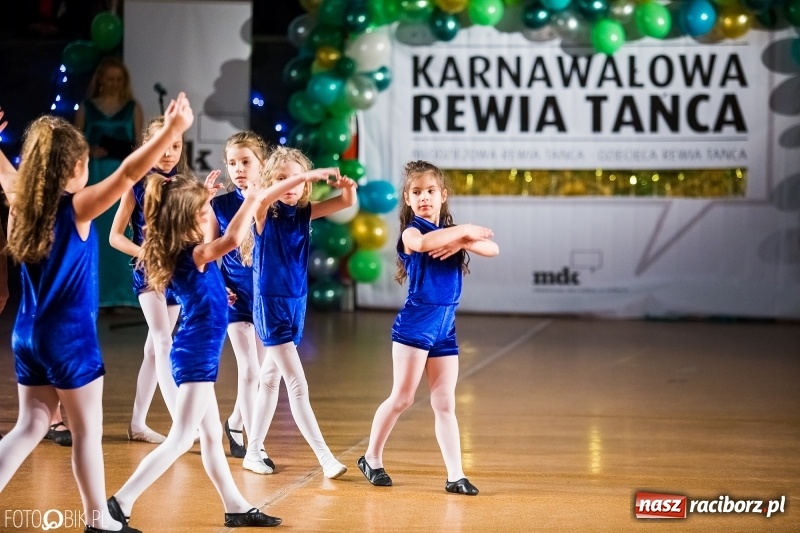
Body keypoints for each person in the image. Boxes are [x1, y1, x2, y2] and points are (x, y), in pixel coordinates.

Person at [0, 94, 193, 533]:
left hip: (26, 334)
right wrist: (169, 131)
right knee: (86, 433)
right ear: (72, 170)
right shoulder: (78, 208)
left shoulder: (19, 204)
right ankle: (99, 520)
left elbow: (8, 174)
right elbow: (128, 172)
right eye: (84, 163)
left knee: (29, 426)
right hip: (69, 337)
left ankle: (100, 519)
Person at [107, 167, 333, 529]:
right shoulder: (191, 254)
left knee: (212, 439)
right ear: (185, 222)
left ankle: (235, 507)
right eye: (201, 213)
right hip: (194, 357)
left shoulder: (182, 249)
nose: (207, 216)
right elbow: (231, 239)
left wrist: (213, 198)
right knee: (182, 438)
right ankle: (120, 502)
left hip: (199, 356)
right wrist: (264, 195)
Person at [357, 160, 499, 496]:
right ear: (407, 199)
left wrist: (462, 239)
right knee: (403, 398)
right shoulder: (412, 232)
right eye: (416, 192)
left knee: (445, 403)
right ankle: (371, 457)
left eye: (431, 191)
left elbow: (493, 249)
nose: (424, 197)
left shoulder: (453, 236)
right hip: (415, 327)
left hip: (444, 330)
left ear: (442, 195)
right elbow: (421, 246)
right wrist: (463, 230)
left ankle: (455, 474)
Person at [240, 147, 356, 479]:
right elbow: (261, 200)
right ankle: (326, 458)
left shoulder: (304, 214)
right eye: (281, 179)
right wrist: (304, 175)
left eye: (295, 181)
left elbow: (345, 203)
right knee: (297, 383)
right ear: (269, 181)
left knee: (269, 379)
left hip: (296, 303)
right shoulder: (263, 213)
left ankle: (252, 450)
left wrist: (347, 188)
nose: (290, 186)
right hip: (271, 304)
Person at [108, 116, 203, 443]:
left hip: (177, 274)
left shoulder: (184, 184)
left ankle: (137, 423)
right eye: (162, 147)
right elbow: (114, 237)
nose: (169, 154)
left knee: (154, 348)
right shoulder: (136, 183)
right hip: (148, 273)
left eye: (175, 146)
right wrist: (143, 253)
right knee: (164, 341)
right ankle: (182, 424)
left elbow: (195, 233)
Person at [208, 131, 270, 460]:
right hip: (234, 296)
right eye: (232, 163)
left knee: (260, 373)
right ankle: (254, 446)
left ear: (263, 164)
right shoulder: (219, 204)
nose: (238, 168)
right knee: (250, 371)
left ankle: (233, 422)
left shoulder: (272, 201)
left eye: (246, 161)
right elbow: (208, 249)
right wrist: (220, 285)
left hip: (265, 297)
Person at [75, 56, 144, 308]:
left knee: (121, 230)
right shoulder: (86, 107)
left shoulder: (132, 108)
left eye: (119, 79)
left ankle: (122, 295)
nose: (114, 83)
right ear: (100, 80)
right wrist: (89, 151)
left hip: (120, 177)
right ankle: (97, 295)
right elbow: (76, 143)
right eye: (110, 78)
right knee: (95, 233)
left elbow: (139, 146)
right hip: (93, 176)